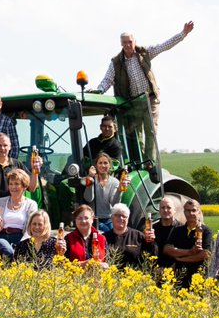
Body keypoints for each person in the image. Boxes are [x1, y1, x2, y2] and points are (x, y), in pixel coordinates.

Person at [94, 20, 194, 160]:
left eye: (130, 41)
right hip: (133, 102)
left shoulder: (144, 53)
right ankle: (139, 163)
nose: (127, 45)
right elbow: (107, 80)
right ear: (121, 44)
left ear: (135, 41)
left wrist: (183, 33)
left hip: (150, 99)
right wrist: (99, 91)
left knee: (151, 131)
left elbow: (164, 46)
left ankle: (150, 162)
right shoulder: (116, 62)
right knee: (136, 135)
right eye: (124, 42)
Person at [0, 133, 40, 220]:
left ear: (10, 147)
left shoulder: (18, 165)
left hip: (18, 216)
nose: (2, 148)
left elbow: (32, 188)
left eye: (5, 145)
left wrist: (35, 170)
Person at [162, 198, 212, 290]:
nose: (191, 213)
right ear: (184, 212)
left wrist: (181, 259)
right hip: (179, 279)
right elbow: (167, 249)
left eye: (194, 210)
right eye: (188, 211)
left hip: (199, 280)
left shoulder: (205, 231)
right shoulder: (177, 230)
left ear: (199, 212)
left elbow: (205, 254)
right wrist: (189, 252)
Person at [0, 168, 39, 259]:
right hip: (1, 237)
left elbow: (30, 229)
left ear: (24, 186)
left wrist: (22, 244)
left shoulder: (31, 204)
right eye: (11, 184)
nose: (13, 187)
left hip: (21, 237)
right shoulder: (0, 202)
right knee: (9, 251)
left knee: (17, 252)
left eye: (16, 184)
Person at [104, 203, 156, 271]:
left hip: (133, 278)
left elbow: (151, 255)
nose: (121, 218)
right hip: (110, 278)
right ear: (112, 218)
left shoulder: (138, 236)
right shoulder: (104, 238)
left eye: (124, 216)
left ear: (128, 219)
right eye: (117, 215)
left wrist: (151, 242)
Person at [82, 152, 126, 232]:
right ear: (96, 165)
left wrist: (119, 190)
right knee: (106, 233)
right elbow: (88, 198)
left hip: (109, 218)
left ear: (110, 165)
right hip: (94, 218)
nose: (103, 166)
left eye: (105, 163)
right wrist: (90, 180)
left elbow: (114, 203)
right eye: (100, 163)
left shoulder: (114, 182)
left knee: (116, 232)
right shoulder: (91, 179)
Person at [152, 196, 180, 286]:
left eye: (168, 207)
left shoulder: (181, 229)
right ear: (159, 210)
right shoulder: (153, 229)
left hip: (177, 273)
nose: (165, 210)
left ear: (174, 210)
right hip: (156, 273)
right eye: (163, 207)